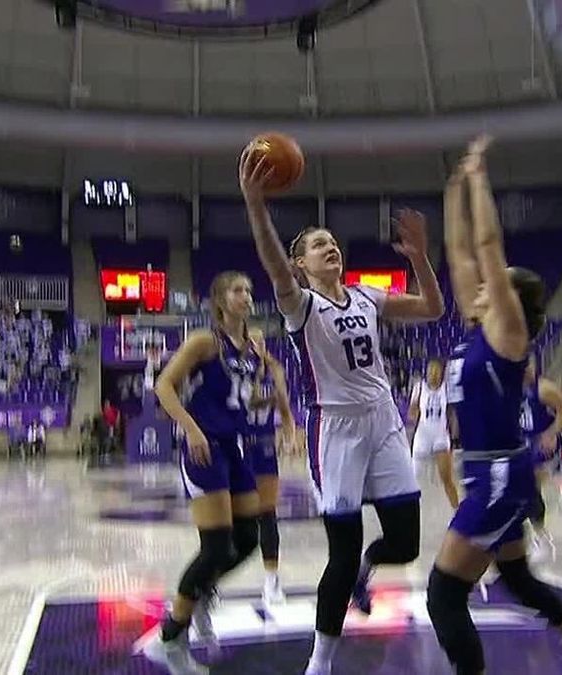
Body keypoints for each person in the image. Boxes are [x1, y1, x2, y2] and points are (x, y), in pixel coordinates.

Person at [239, 146, 445, 675]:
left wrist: (419, 257)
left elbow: (433, 308)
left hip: (384, 420)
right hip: (335, 431)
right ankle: (321, 663)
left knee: (404, 540)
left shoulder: (366, 297)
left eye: (331, 242)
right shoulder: (300, 305)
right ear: (300, 265)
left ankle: (367, 571)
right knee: (342, 550)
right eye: (316, 245)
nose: (329, 247)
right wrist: (256, 206)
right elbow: (270, 261)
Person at [427, 137, 562, 675]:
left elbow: (485, 246)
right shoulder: (477, 324)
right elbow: (460, 253)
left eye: (495, 285)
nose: (481, 286)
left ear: (512, 301)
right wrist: (452, 186)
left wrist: (480, 178)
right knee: (515, 577)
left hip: (500, 475)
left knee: (443, 595)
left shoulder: (508, 332)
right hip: (493, 469)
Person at [142, 271, 268, 674]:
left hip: (234, 447)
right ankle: (169, 640)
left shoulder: (252, 347)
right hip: (204, 447)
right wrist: (192, 428)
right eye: (237, 290)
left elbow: (245, 398)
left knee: (249, 538)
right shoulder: (203, 341)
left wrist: (270, 391)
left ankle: (198, 593)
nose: (245, 296)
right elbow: (164, 386)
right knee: (215, 547)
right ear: (219, 300)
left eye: (248, 290)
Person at [243, 345, 298, 606]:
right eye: (251, 343)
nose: (256, 348)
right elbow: (249, 401)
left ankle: (271, 580)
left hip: (263, 445)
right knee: (227, 519)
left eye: (260, 344)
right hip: (238, 444)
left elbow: (285, 409)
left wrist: (291, 435)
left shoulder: (274, 372)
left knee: (268, 514)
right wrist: (269, 390)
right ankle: (209, 585)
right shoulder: (235, 371)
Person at [520, 356, 562, 562]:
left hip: (545, 445)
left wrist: (552, 433)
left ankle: (541, 539)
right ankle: (529, 535)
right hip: (524, 444)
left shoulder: (544, 389)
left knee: (531, 488)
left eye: (529, 365)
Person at [408, 358, 459, 509]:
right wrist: (414, 410)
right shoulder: (419, 387)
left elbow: (451, 413)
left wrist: (454, 435)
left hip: (440, 437)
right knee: (411, 481)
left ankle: (457, 512)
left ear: (442, 373)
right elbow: (411, 414)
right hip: (422, 436)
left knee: (447, 480)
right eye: (431, 370)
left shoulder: (447, 389)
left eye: (437, 371)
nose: (433, 374)